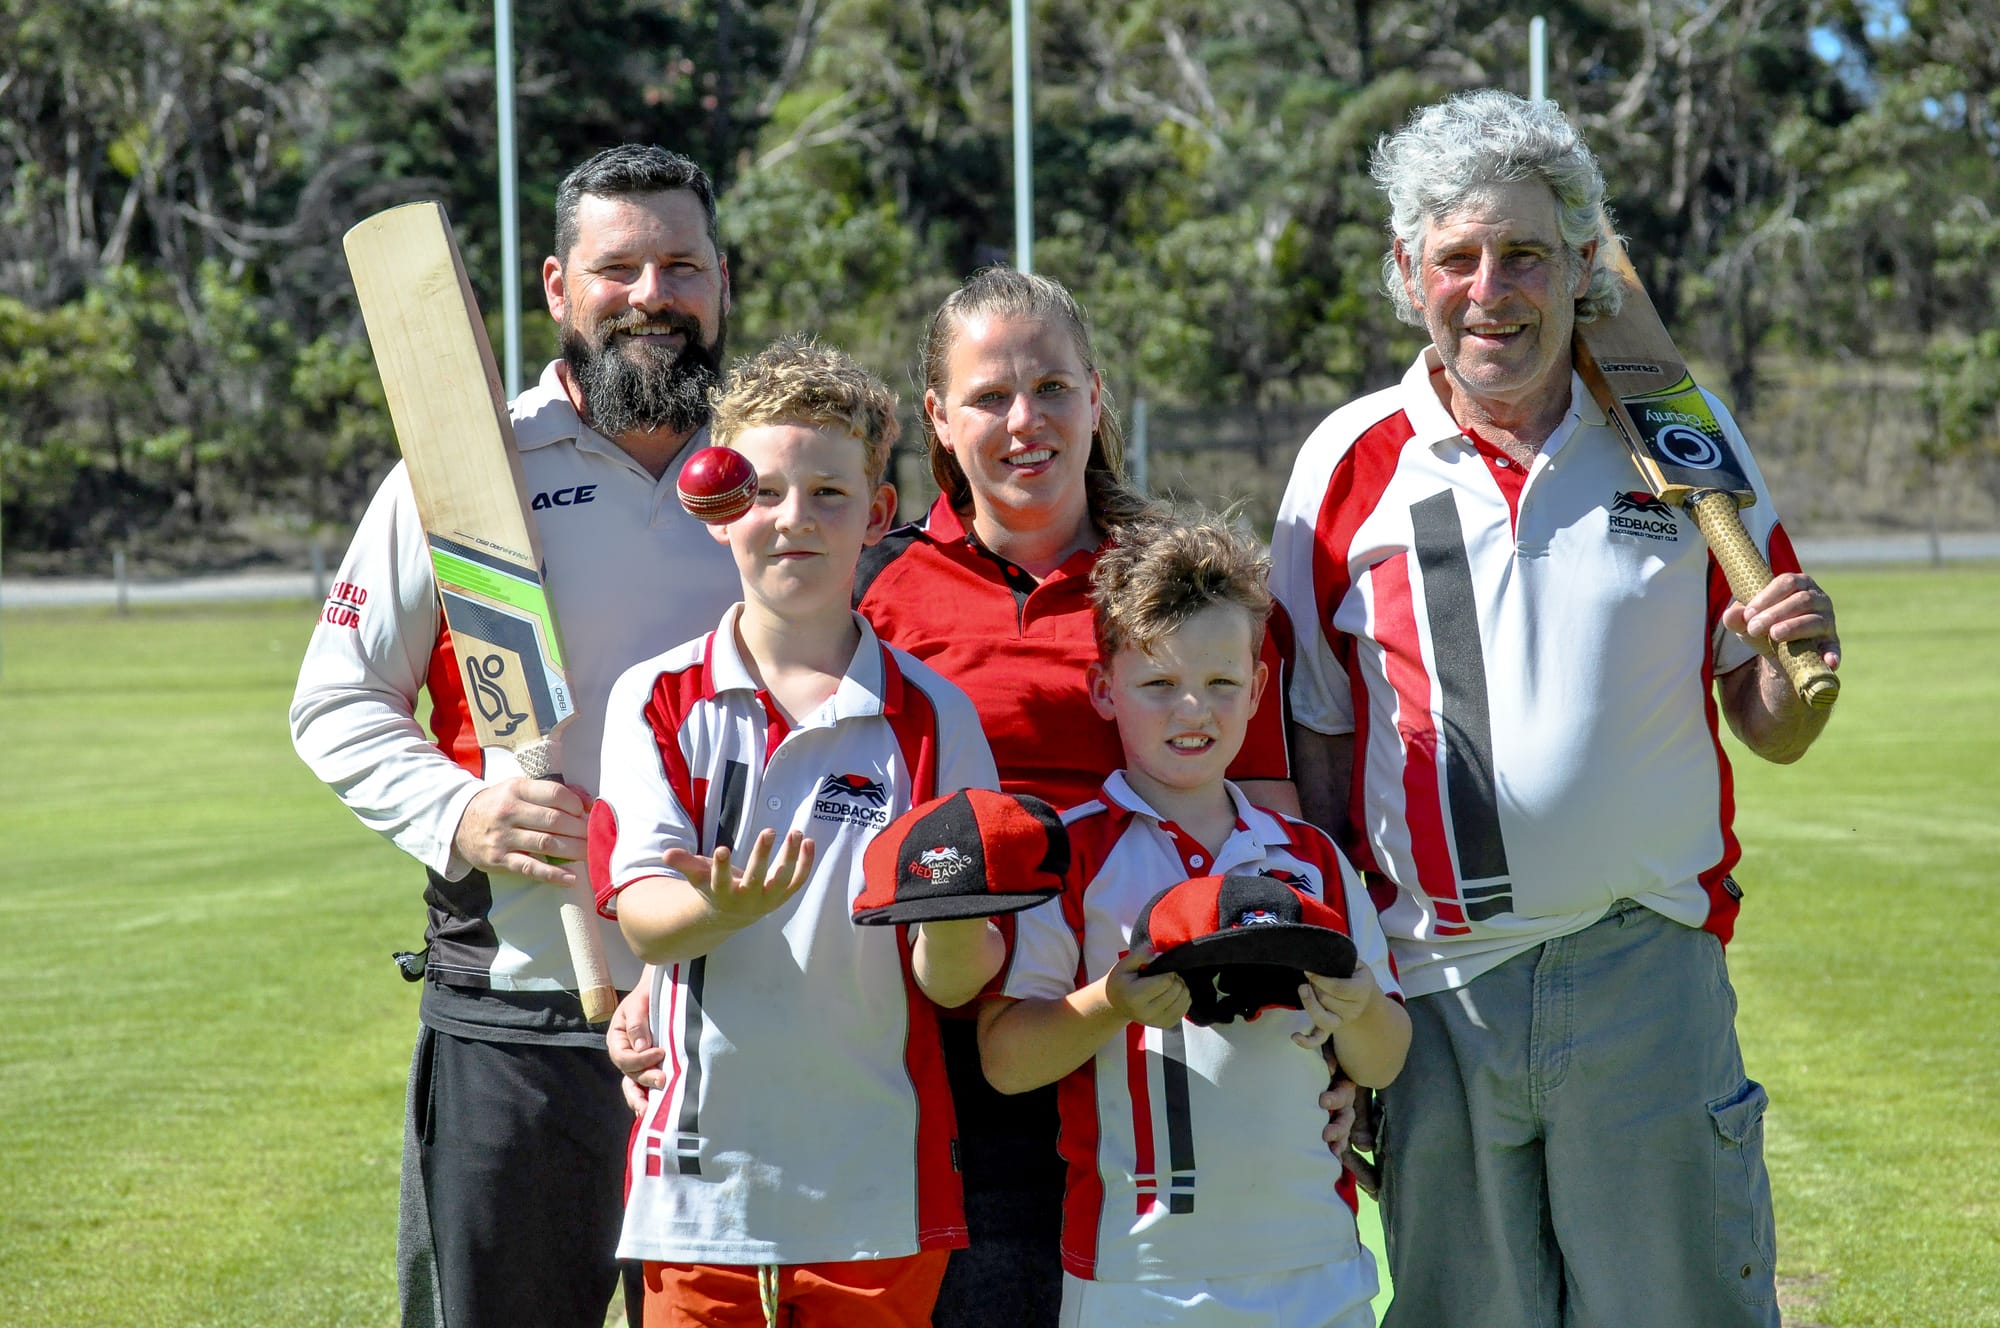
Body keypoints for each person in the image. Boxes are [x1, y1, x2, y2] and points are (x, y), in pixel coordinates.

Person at [611, 267, 1324, 1328]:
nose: (1022, 419)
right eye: (988, 395)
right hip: (941, 1060)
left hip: (1153, 1046)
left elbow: (1262, 824)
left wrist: (1303, 1029)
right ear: (939, 419)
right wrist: (659, 981)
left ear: (1095, 397)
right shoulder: (876, 590)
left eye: (1049, 386)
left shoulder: (1183, 589)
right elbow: (780, 795)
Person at [1270, 89, 1841, 1328]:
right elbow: (1311, 735)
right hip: (1431, 993)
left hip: (1643, 963)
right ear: (1403, 271)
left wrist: (1794, 666)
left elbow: (1768, 716)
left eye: (1524, 254)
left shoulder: (1676, 433)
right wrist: (1337, 972)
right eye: (1456, 258)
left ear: (1583, 265)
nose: (1491, 289)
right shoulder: (1343, 461)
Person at [290, 143, 741, 1328]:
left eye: (680, 265)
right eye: (619, 267)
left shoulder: (772, 478)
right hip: (522, 1012)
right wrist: (462, 810)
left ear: (721, 281)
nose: (653, 294)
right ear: (556, 286)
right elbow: (334, 697)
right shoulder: (464, 467)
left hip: (745, 1013)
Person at [591, 337, 1007, 1327]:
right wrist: (716, 906)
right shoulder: (654, 697)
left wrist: (951, 922)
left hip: (873, 1186)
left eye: (828, 493)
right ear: (714, 507)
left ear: (874, 513)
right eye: (764, 491)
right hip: (697, 1190)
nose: (793, 520)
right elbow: (645, 922)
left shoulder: (934, 713)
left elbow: (958, 979)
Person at [978, 512, 1409, 1328]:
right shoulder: (1068, 857)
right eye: (1158, 686)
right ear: (1105, 690)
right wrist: (1109, 1003)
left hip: (1316, 1263)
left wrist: (1357, 1007)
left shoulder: (1311, 857)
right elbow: (1006, 1059)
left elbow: (1382, 1059)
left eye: (1219, 684)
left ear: (1256, 689)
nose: (1192, 711)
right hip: (1136, 1275)